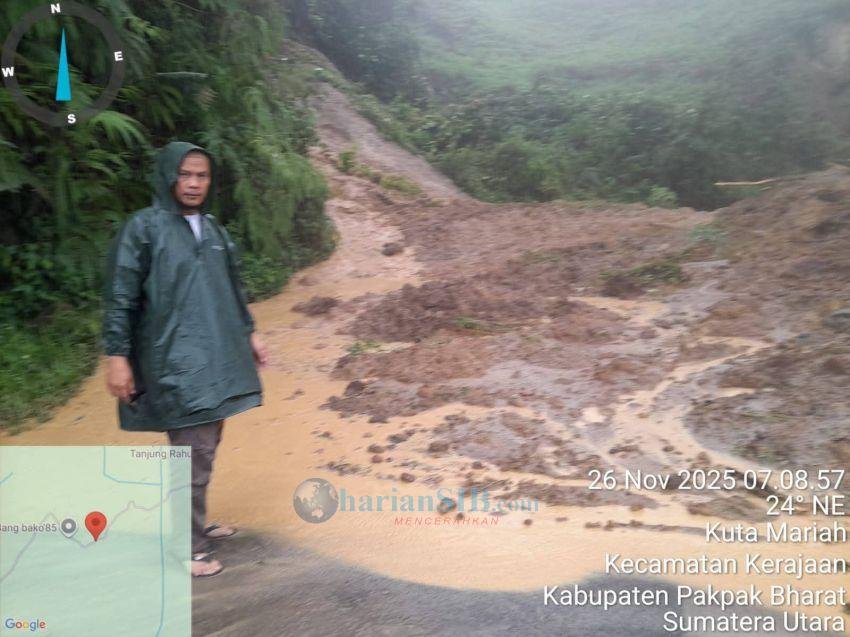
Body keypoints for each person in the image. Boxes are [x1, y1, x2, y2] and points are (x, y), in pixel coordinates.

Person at [102, 141, 267, 577]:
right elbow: (121, 296)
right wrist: (117, 355)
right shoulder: (144, 228)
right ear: (168, 176)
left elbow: (233, 288)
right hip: (172, 359)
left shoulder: (213, 230)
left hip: (217, 355)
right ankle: (186, 547)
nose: (194, 183)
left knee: (206, 446)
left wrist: (250, 334)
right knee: (191, 452)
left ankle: (196, 527)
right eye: (185, 174)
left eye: (202, 176)